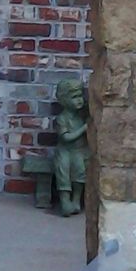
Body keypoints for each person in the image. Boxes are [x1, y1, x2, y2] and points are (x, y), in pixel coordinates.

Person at [52, 77, 88, 216]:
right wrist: (83, 129)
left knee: (80, 170)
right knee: (63, 169)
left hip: (79, 151)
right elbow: (66, 138)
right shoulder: (62, 118)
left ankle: (76, 199)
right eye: (74, 97)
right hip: (65, 151)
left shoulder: (81, 116)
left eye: (80, 96)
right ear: (64, 100)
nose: (79, 100)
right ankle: (65, 200)